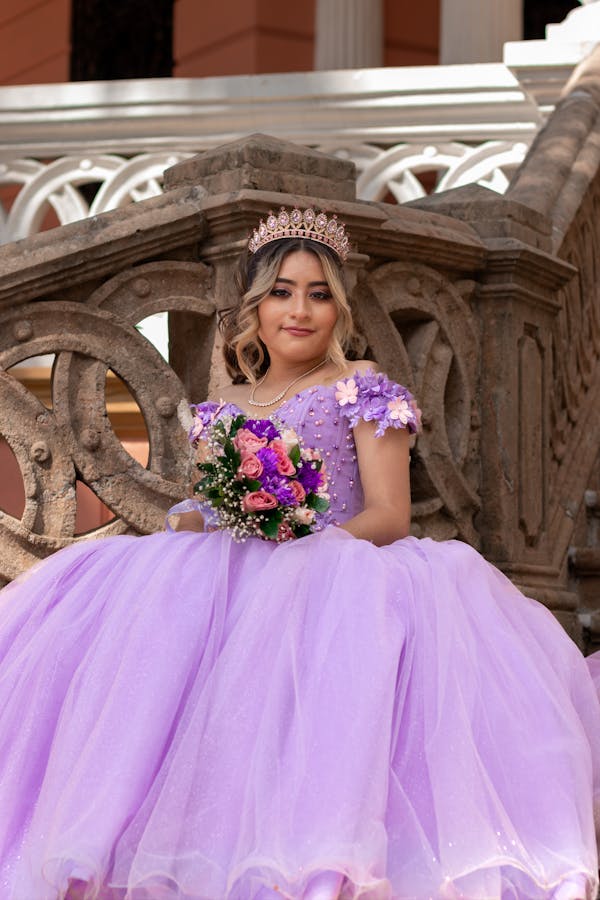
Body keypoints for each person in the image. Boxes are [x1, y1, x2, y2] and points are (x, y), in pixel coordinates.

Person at [0, 206, 599, 900]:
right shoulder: (226, 407)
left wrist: (304, 544)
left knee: (317, 726)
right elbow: (206, 506)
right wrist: (216, 517)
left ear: (339, 308)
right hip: (233, 574)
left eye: (319, 293)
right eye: (282, 291)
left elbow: (390, 514)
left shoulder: (362, 385)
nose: (300, 310)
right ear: (254, 306)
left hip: (337, 571)